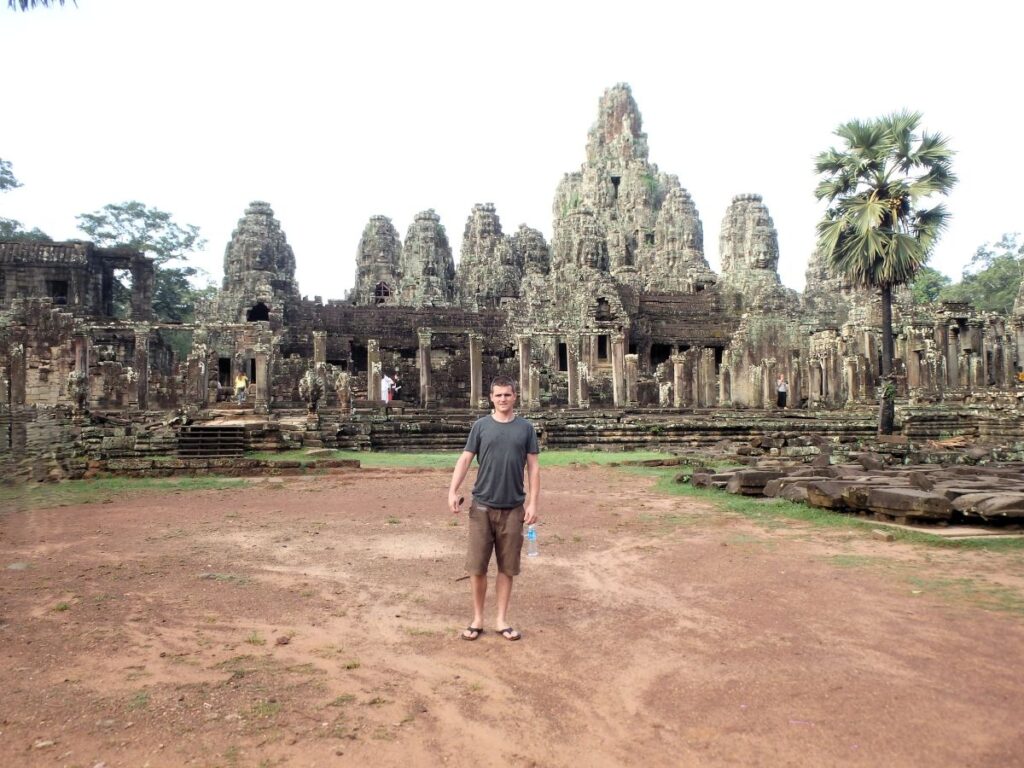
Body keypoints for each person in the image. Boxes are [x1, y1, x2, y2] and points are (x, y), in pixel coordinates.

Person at [448, 375, 540, 642]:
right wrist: (452, 490)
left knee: (507, 567)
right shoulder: (481, 426)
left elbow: (533, 468)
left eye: (507, 395)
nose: (503, 399)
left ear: (515, 397)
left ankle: (501, 619)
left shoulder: (525, 429)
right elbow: (465, 459)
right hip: (482, 507)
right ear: (491, 397)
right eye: (498, 395)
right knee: (477, 567)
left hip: (513, 507)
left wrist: (533, 503)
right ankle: (477, 618)